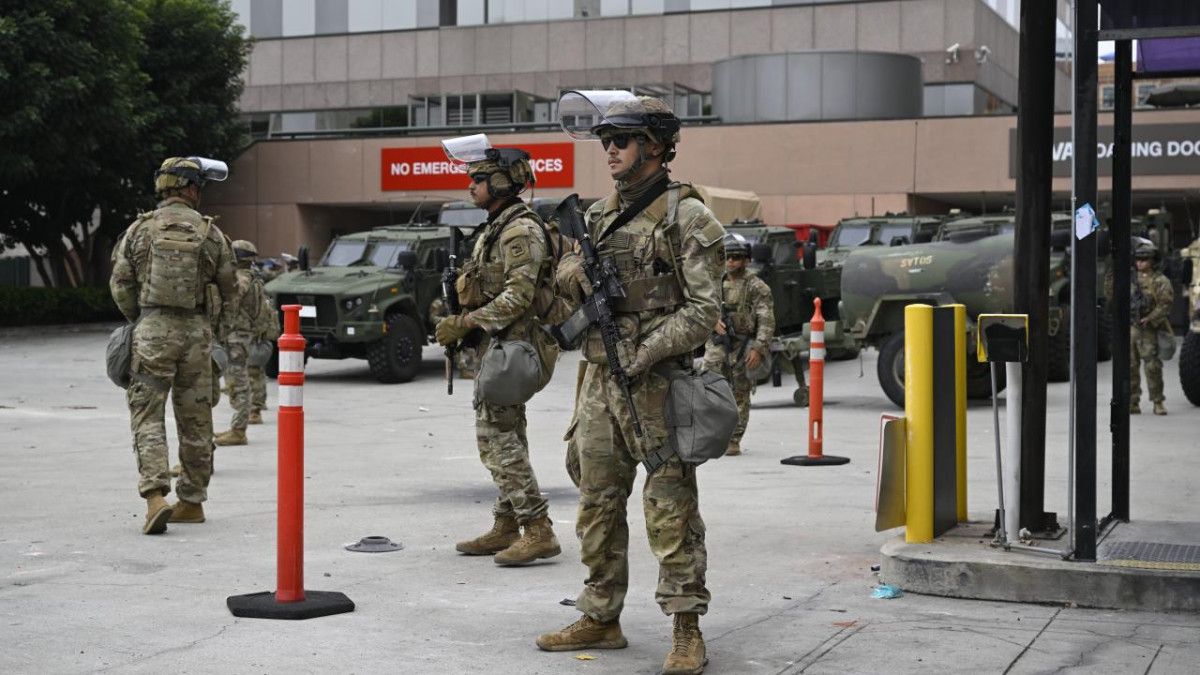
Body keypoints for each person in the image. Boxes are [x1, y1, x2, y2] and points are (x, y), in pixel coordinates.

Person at [537, 91, 725, 675]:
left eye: (621, 140)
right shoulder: (595, 216)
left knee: (670, 507)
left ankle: (686, 627)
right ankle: (600, 614)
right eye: (606, 141)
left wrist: (646, 351)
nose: (610, 151)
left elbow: (703, 311)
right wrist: (572, 271)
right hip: (600, 380)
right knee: (596, 500)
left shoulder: (688, 217)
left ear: (656, 147)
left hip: (658, 384)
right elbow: (562, 279)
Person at [434, 133, 562, 566]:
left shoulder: (519, 230)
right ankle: (508, 524)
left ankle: (538, 528)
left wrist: (466, 322)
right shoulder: (498, 226)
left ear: (504, 182)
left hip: (516, 346)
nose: (470, 185)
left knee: (496, 438)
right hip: (501, 346)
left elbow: (518, 297)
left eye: (480, 178)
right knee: (509, 434)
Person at [109, 156, 238, 534]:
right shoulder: (211, 233)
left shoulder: (139, 230)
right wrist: (212, 324)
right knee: (196, 418)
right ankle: (192, 502)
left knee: (147, 414)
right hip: (197, 334)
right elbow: (230, 288)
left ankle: (155, 498)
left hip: (153, 331)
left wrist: (143, 318)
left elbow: (120, 284)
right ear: (190, 188)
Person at [702, 232, 775, 456]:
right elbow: (701, 307)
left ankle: (734, 439)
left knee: (740, 393)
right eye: (727, 257)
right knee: (710, 387)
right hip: (718, 343)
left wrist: (758, 348)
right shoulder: (714, 283)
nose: (731, 261)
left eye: (736, 257)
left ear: (746, 260)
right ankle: (714, 435)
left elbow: (766, 319)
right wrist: (713, 321)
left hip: (743, 345)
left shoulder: (757, 286)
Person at [214, 240, 268, 445]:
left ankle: (238, 431)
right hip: (238, 335)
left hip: (237, 337)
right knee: (235, 381)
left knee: (238, 382)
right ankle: (236, 428)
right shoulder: (252, 276)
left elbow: (233, 295)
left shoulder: (242, 278)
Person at [1130, 240, 1174, 415]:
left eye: (1144, 259)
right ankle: (1132, 401)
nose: (1140, 263)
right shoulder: (1130, 279)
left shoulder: (1160, 281)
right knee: (1130, 366)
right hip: (1132, 328)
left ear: (1153, 261)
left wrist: (1150, 318)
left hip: (1148, 329)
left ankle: (1157, 401)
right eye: (1138, 259)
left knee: (1152, 367)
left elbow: (1165, 304)